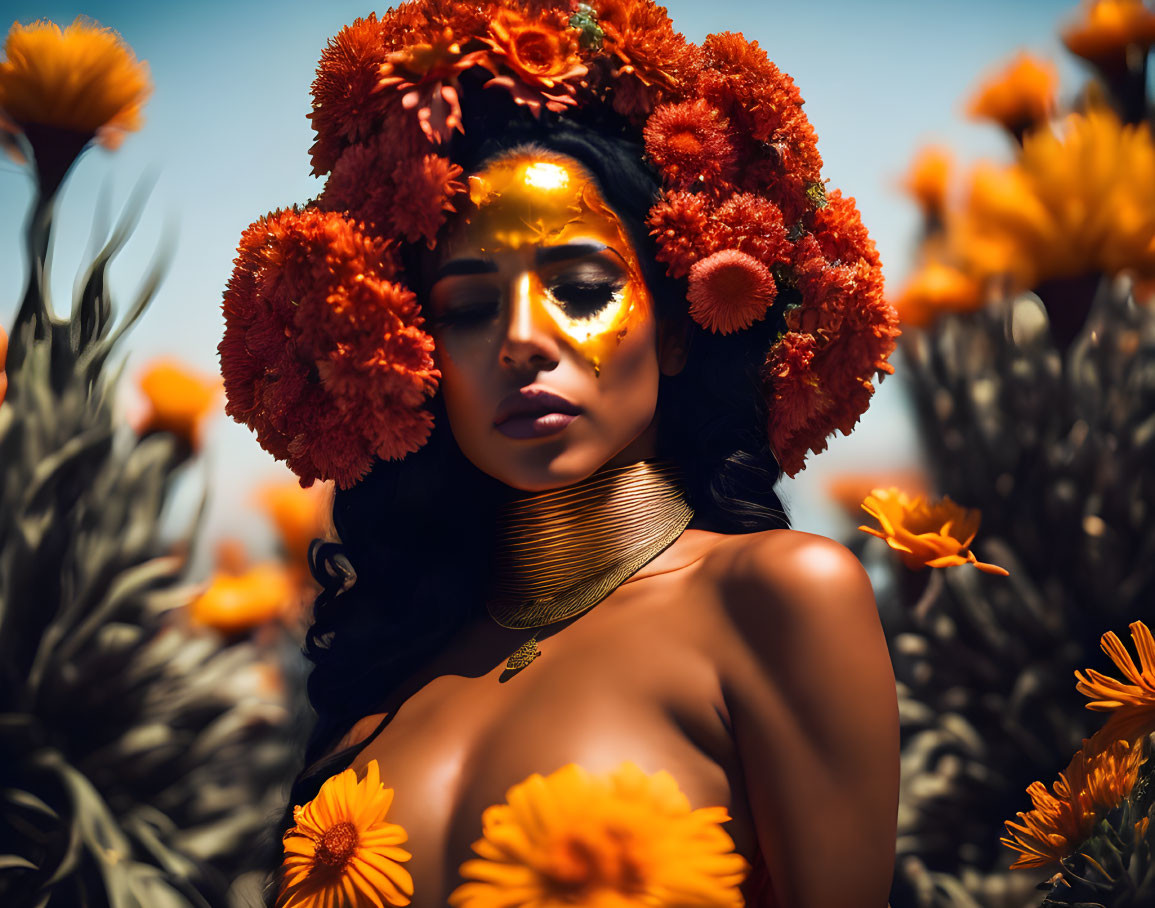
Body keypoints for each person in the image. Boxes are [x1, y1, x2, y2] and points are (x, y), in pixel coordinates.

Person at [219, 2, 902, 905]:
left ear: (680, 331)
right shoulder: (393, 668)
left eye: (580, 289)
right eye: (465, 309)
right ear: (415, 360)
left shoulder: (777, 600)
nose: (519, 341)